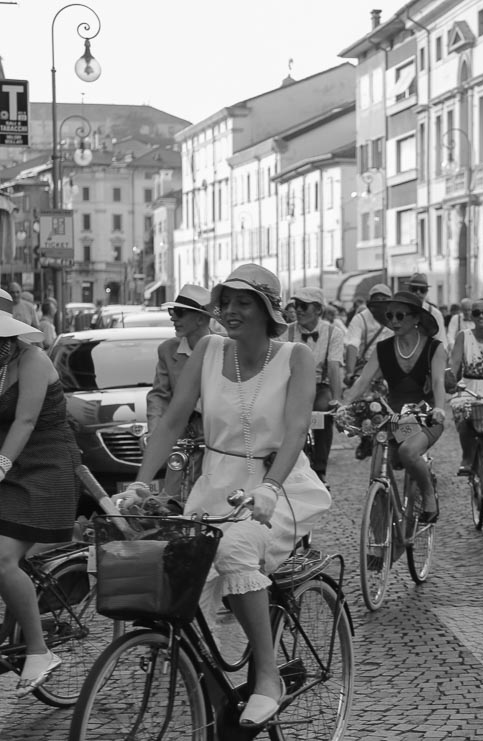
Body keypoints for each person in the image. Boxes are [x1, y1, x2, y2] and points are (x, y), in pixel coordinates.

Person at [118, 264, 331, 728]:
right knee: (180, 569)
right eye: (226, 301)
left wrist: (271, 487)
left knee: (234, 550)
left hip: (281, 484)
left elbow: (296, 429)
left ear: (267, 310)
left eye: (243, 302)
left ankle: (268, 678)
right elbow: (173, 420)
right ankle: (217, 699)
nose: (230, 311)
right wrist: (141, 481)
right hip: (215, 483)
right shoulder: (209, 350)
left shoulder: (296, 356)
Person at [0, 290, 80, 696]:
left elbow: (26, 420)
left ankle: (38, 649)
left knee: (1, 557)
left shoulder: (33, 360)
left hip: (46, 468)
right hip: (9, 463)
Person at [345, 290, 448, 522]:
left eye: (400, 316)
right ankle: (382, 518)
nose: (393, 321)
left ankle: (429, 494)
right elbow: (363, 381)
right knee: (384, 460)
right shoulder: (383, 349)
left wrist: (439, 408)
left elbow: (440, 381)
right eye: (389, 316)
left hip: (426, 416)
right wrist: (344, 406)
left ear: (416, 319)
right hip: (393, 418)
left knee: (408, 452)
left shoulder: (435, 347)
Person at [287, 286, 345, 484]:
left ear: (319, 310)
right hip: (292, 385)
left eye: (304, 306)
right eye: (296, 305)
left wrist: (337, 401)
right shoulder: (286, 332)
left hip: (319, 385)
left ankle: (320, 469)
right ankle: (289, 464)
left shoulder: (333, 333)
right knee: (289, 418)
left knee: (323, 409)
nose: (298, 310)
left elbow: (334, 367)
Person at [148, 285, 215, 440]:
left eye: (179, 312)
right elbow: (159, 396)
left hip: (219, 441)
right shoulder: (167, 350)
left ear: (201, 319)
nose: (173, 318)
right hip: (180, 443)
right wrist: (154, 432)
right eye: (171, 311)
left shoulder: (226, 348)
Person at [447, 297, 483, 476]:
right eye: (476, 312)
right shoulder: (463, 336)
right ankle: (467, 456)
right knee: (464, 415)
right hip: (469, 388)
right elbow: (454, 364)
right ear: (471, 316)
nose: (481, 316)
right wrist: (449, 378)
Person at [343, 283, 393, 387]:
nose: (380, 304)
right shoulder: (360, 319)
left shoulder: (396, 318)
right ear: (370, 303)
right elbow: (352, 345)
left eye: (384, 300)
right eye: (377, 300)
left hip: (390, 368)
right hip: (365, 367)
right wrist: (350, 373)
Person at [406, 272, 447, 345]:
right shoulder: (401, 310)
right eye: (414, 289)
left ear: (427, 291)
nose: (418, 293)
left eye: (422, 290)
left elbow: (441, 342)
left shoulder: (435, 314)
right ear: (409, 290)